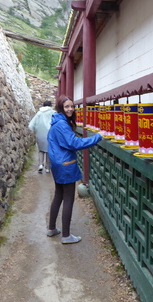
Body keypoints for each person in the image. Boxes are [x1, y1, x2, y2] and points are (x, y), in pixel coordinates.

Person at [46, 96, 102, 244]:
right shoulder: (62, 125)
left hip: (58, 163)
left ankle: (52, 228)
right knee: (69, 199)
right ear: (60, 108)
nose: (70, 109)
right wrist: (97, 137)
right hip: (65, 164)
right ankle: (66, 235)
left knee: (58, 195)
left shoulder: (56, 122)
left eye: (71, 106)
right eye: (66, 107)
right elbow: (74, 143)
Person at [28, 101, 55, 173]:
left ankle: (40, 165)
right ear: (50, 105)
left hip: (39, 133)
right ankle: (47, 168)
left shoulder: (39, 113)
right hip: (50, 133)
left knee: (41, 150)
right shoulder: (53, 113)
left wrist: (34, 131)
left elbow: (31, 125)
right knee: (48, 150)